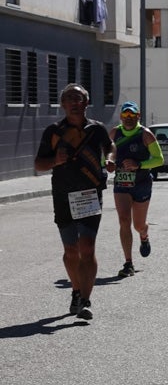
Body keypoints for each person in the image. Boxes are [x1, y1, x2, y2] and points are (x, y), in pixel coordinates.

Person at [34, 83, 115, 321]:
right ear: (63, 104)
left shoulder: (97, 129)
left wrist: (109, 160)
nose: (74, 102)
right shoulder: (53, 131)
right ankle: (76, 291)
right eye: (70, 98)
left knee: (87, 248)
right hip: (63, 195)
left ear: (86, 103)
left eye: (79, 98)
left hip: (90, 194)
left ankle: (86, 301)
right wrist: (55, 161)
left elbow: (110, 148)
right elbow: (38, 164)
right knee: (71, 251)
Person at [109, 101, 164, 278]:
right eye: (125, 115)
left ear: (138, 116)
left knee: (138, 224)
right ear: (121, 117)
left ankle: (144, 235)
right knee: (124, 220)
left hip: (141, 183)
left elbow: (159, 159)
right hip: (122, 183)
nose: (129, 119)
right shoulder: (114, 133)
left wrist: (139, 164)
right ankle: (128, 263)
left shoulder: (145, 134)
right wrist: (107, 164)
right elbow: (105, 156)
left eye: (132, 115)